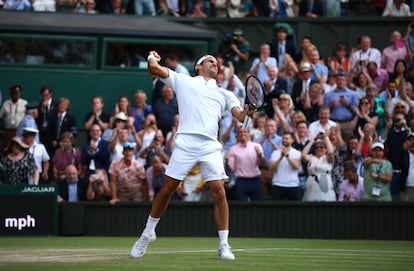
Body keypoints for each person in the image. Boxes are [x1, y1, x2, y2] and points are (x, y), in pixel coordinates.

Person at [130, 51, 251, 260]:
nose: (215, 63)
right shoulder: (182, 80)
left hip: (210, 146)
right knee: (168, 188)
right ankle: (147, 233)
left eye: (217, 62)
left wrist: (247, 112)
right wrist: (151, 57)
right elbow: (153, 69)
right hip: (186, 142)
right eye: (210, 60)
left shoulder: (225, 94)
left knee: (219, 191)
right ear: (198, 66)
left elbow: (239, 115)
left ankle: (224, 245)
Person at [226, 127, 265, 201]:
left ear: (249, 134)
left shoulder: (256, 146)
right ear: (237, 135)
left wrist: (259, 155)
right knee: (241, 206)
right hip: (241, 181)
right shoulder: (233, 149)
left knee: (257, 205)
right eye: (240, 132)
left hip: (255, 180)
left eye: (245, 132)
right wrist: (227, 160)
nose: (242, 134)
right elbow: (231, 169)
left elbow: (263, 164)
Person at [302, 133, 336, 201]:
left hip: (325, 186)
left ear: (325, 149)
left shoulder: (327, 158)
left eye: (321, 147)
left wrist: (326, 137)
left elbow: (331, 152)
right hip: (311, 188)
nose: (319, 149)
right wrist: (312, 141)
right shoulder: (311, 157)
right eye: (317, 147)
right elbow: (303, 155)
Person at [269, 132, 302, 201]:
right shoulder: (275, 153)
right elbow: (271, 168)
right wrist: (280, 158)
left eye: (287, 139)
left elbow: (296, 166)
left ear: (292, 140)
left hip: (293, 185)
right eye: (283, 138)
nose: (284, 140)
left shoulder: (297, 153)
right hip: (278, 184)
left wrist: (287, 156)